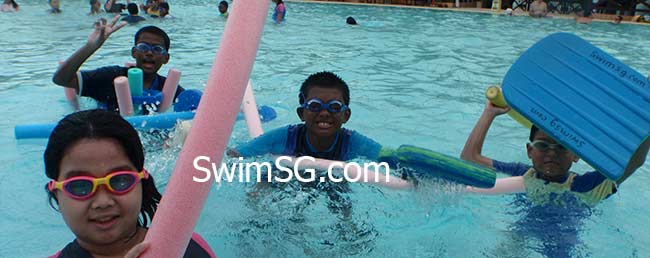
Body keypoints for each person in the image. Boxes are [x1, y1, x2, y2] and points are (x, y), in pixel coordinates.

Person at [44, 109, 216, 258]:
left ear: (141, 182)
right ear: (56, 195)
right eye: (80, 186)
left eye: (120, 181)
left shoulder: (188, 248)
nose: (103, 202)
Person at [461, 101, 627, 205]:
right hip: (523, 229)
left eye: (562, 147)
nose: (552, 153)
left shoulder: (584, 184)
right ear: (529, 151)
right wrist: (489, 113)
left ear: (576, 155)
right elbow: (469, 159)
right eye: (543, 145)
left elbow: (631, 161)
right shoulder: (523, 173)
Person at [52, 18, 185, 113]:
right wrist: (90, 47)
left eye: (157, 49)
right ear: (134, 52)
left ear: (166, 58)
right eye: (143, 47)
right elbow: (61, 79)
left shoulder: (170, 89)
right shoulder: (111, 77)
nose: (149, 53)